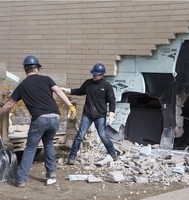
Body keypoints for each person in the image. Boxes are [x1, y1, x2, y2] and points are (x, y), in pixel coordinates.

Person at [0, 55, 76, 187]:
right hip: (55, 117)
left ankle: (21, 179)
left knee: (30, 148)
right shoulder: (46, 79)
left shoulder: (22, 86)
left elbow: (8, 105)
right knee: (48, 143)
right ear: (37, 69)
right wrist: (70, 105)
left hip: (40, 119)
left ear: (26, 69)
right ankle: (51, 172)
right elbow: (58, 91)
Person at [60, 63, 118, 165]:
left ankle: (113, 154)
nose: (94, 76)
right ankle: (72, 157)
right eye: (93, 74)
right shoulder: (88, 83)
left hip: (100, 115)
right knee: (80, 135)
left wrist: (112, 113)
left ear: (102, 74)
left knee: (103, 135)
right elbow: (80, 91)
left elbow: (112, 100)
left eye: (96, 74)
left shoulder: (106, 86)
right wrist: (68, 91)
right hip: (87, 114)